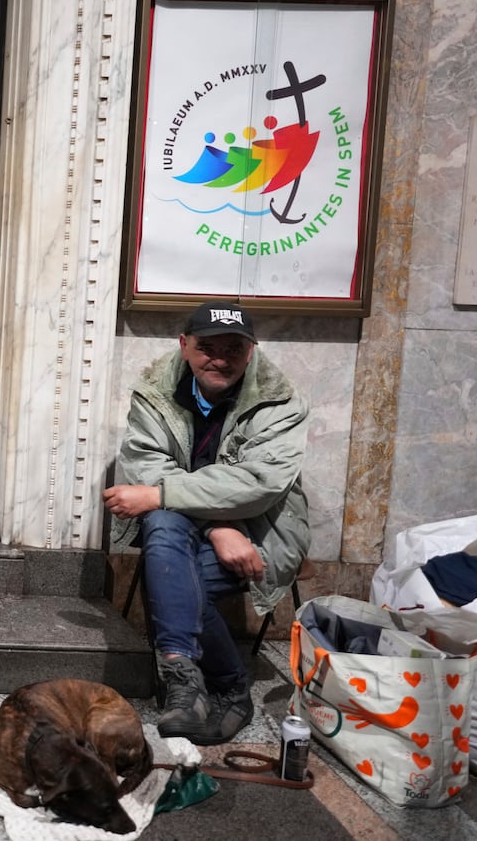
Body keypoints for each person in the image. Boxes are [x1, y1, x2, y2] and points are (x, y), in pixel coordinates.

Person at [102, 301, 311, 746]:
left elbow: (259, 483)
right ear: (184, 346)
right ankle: (210, 684)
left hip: (260, 527)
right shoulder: (156, 391)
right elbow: (145, 462)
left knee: (173, 561)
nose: (220, 358)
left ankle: (208, 684)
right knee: (162, 527)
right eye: (207, 347)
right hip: (198, 526)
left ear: (250, 352)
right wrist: (218, 526)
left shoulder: (279, 400)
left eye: (233, 348)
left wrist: (162, 495)